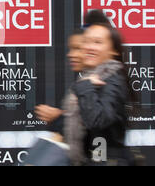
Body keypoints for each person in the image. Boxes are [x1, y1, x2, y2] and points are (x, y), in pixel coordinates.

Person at [63, 22, 133, 166]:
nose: (89, 47)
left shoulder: (112, 78)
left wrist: (85, 87)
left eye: (97, 42)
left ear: (114, 50)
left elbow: (98, 120)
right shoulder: (93, 78)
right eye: (86, 41)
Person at [35, 28, 85, 136]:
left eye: (77, 48)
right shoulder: (85, 82)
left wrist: (58, 117)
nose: (70, 54)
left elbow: (95, 133)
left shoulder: (100, 82)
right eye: (71, 49)